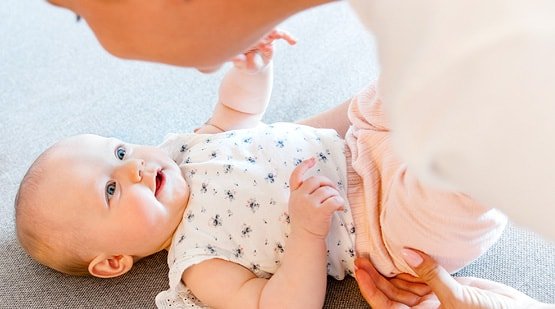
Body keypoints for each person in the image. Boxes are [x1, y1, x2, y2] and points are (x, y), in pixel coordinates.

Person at [15, 31, 507, 308]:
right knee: (449, 183)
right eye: (110, 191)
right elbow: (282, 305)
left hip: (363, 140)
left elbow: (236, 114)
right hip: (385, 228)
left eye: (120, 153)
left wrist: (251, 69)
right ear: (114, 261)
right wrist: (309, 232)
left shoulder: (185, 152)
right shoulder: (199, 263)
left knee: (406, 78)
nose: (136, 170)